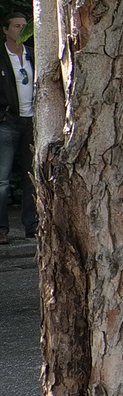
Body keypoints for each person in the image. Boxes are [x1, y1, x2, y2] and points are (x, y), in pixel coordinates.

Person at [0, 13, 36, 240]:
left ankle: (31, 224)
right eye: (16, 26)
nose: (21, 30)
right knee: (2, 180)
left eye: (24, 26)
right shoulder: (1, 56)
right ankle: (2, 229)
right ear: (5, 30)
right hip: (8, 121)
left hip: (31, 120)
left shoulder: (32, 54)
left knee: (31, 176)